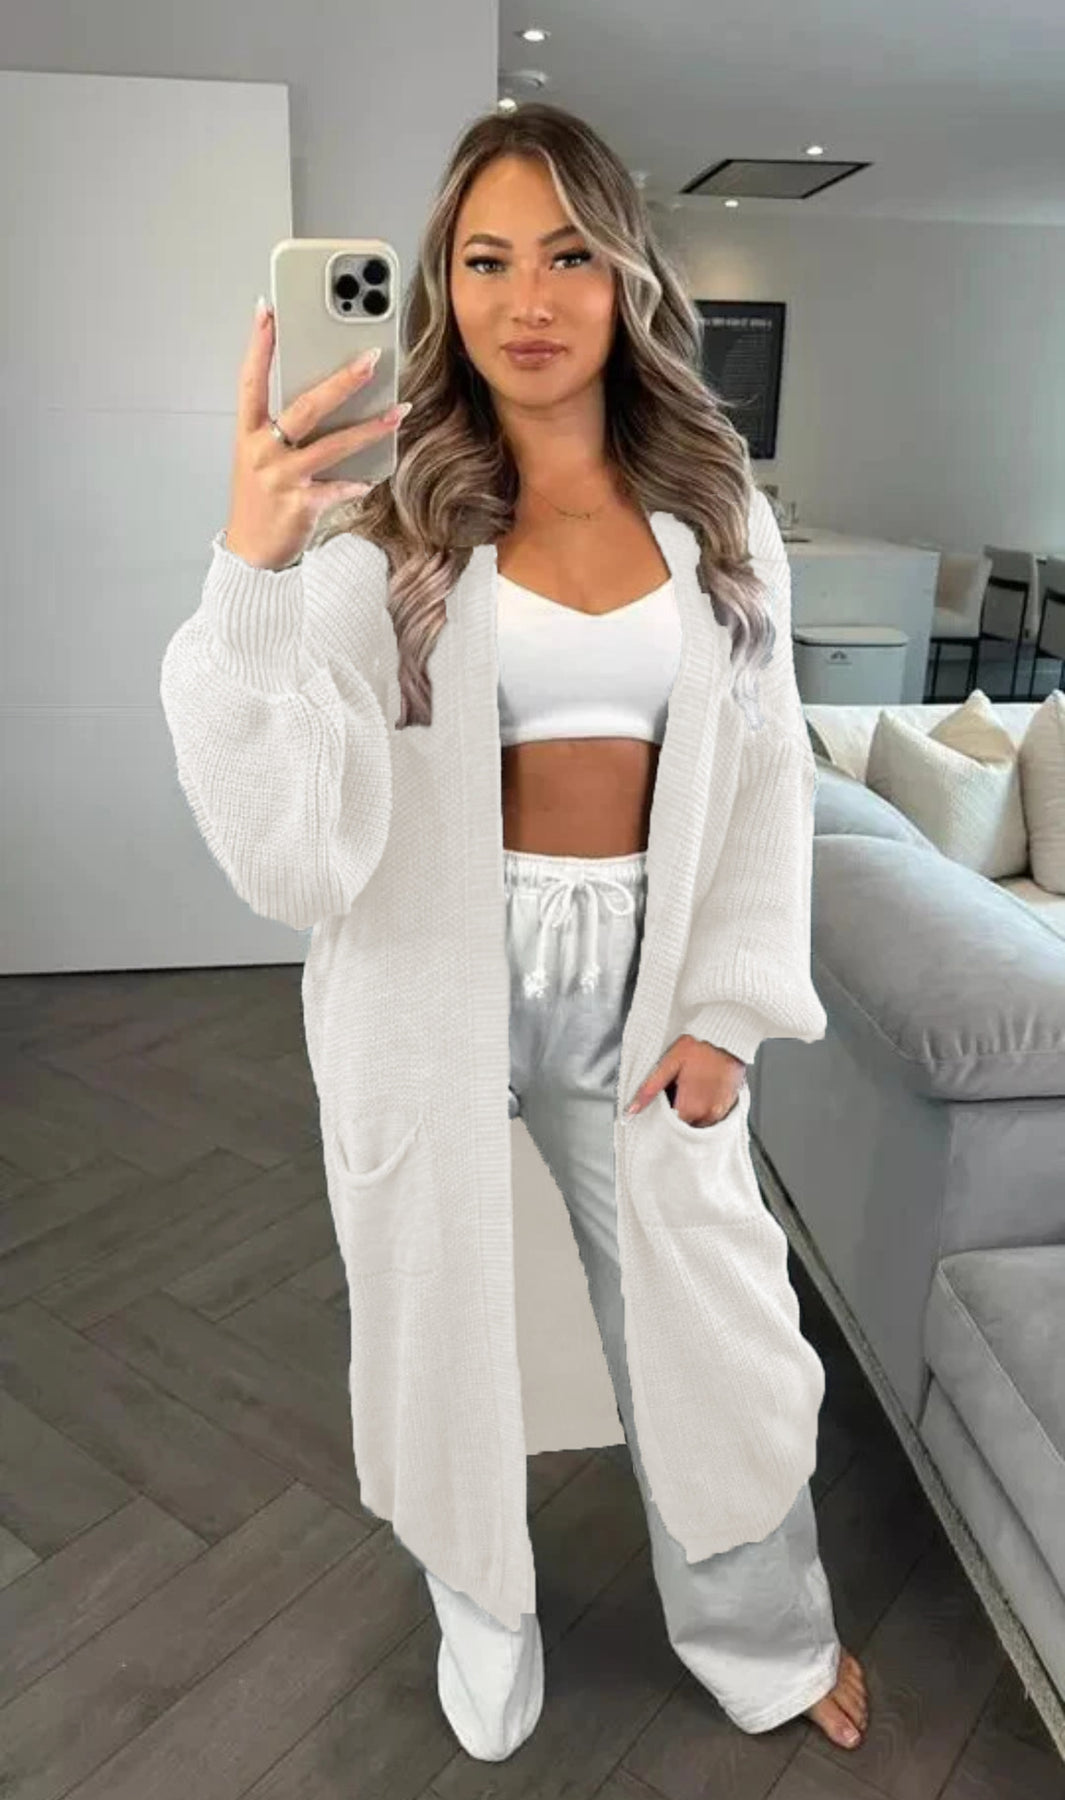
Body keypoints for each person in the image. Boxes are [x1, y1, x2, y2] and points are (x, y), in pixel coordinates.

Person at [161, 101, 869, 1762]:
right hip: (428, 979)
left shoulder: (718, 512)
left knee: (713, 1325)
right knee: (436, 1320)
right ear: (442, 285)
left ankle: (764, 1633)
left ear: (625, 275)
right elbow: (293, 850)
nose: (527, 298)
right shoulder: (385, 518)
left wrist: (730, 1009)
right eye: (485, 261)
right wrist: (252, 566)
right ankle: (481, 1615)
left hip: (646, 979)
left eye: (566, 254)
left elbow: (767, 774)